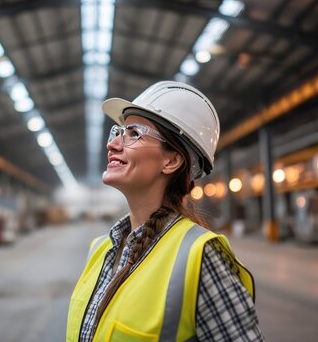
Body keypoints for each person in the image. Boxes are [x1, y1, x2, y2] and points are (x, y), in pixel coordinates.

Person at [66, 81, 263, 341]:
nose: (112, 144)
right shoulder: (101, 249)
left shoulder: (199, 257)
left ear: (171, 161)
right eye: (118, 131)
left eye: (134, 133)